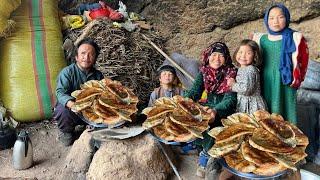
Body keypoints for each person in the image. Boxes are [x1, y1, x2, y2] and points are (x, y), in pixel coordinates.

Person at [184, 42, 237, 178]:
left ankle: (208, 160)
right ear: (208, 56)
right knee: (195, 123)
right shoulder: (205, 72)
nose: (217, 59)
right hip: (208, 105)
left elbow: (230, 100)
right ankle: (204, 153)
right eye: (214, 55)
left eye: (221, 55)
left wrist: (215, 110)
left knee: (213, 128)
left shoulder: (231, 73)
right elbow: (195, 91)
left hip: (224, 109)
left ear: (226, 58)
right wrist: (184, 100)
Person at [252, 3, 309, 124]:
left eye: (280, 17)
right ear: (266, 20)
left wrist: (297, 78)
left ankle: (288, 138)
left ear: (287, 18)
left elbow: (303, 60)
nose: (275, 21)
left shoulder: (294, 38)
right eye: (271, 18)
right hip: (265, 79)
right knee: (266, 109)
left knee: (286, 108)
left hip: (285, 79)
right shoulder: (260, 39)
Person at [53, 38, 104, 146]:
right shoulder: (67, 72)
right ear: (76, 57)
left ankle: (90, 126)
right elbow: (60, 92)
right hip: (72, 110)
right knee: (62, 109)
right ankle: (66, 132)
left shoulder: (98, 75)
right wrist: (72, 104)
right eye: (83, 53)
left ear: (95, 58)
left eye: (91, 54)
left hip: (90, 110)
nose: (86, 57)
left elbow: (102, 95)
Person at [227, 39, 267, 114]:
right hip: (245, 102)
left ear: (255, 55)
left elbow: (246, 89)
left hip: (251, 105)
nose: (243, 56)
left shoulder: (250, 70)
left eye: (248, 53)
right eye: (240, 52)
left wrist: (233, 85)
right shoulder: (242, 68)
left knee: (251, 124)